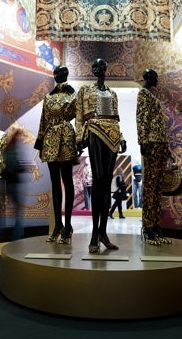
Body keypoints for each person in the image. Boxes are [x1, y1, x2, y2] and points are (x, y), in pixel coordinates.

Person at [76, 58, 126, 253]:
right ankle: (94, 234)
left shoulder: (113, 94)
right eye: (95, 66)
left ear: (105, 69)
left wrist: (121, 137)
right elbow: (80, 117)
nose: (97, 68)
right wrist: (79, 139)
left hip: (113, 134)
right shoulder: (85, 91)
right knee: (97, 179)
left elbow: (116, 118)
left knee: (106, 181)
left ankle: (103, 233)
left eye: (101, 66)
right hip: (94, 130)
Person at [34, 65, 78, 244]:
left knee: (67, 181)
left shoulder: (73, 95)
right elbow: (43, 120)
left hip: (66, 136)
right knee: (55, 183)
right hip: (50, 138)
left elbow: (80, 116)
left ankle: (68, 226)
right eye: (56, 72)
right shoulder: (48, 97)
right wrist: (40, 142)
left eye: (62, 72)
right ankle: (58, 225)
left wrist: (80, 140)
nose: (58, 75)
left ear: (66, 74)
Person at [137, 69, 172, 245]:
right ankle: (148, 226)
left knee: (157, 187)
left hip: (161, 143)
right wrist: (143, 141)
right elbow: (142, 118)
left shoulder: (151, 95)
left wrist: (167, 148)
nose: (157, 79)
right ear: (149, 78)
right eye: (155, 77)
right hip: (151, 142)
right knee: (150, 185)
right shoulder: (143, 94)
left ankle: (156, 224)